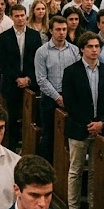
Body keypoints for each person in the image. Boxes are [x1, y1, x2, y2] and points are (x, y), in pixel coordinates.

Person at [64, 31, 104, 209]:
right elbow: (69, 102)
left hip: (101, 128)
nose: (94, 50)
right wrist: (89, 123)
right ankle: (73, 207)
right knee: (76, 170)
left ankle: (94, 206)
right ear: (82, 49)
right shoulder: (71, 71)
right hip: (79, 127)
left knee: (96, 170)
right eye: (90, 47)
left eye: (97, 47)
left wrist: (102, 122)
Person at [33, 16, 81, 162]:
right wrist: (57, 97)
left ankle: (65, 166)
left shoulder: (74, 50)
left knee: (70, 134)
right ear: (51, 31)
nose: (61, 33)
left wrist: (70, 96)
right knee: (49, 135)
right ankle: (45, 166)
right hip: (50, 99)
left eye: (64, 29)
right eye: (58, 29)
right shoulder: (42, 52)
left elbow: (79, 75)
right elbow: (41, 79)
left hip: (71, 98)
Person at [0, 4, 42, 147]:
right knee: (12, 118)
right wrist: (17, 78)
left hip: (30, 83)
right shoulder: (4, 37)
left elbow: (38, 61)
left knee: (30, 117)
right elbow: (3, 62)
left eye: (22, 15)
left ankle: (28, 145)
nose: (20, 18)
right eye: (16, 16)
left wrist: (28, 79)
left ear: (26, 16)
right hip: (12, 83)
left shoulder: (35, 35)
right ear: (11, 17)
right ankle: (12, 146)